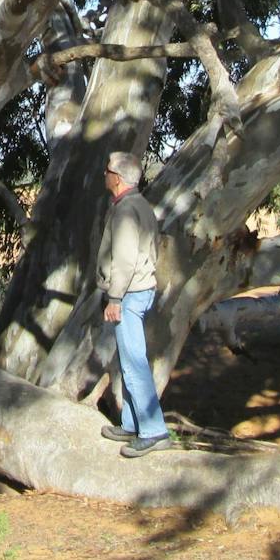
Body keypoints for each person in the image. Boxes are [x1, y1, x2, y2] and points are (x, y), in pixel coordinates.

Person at [97, 150, 173, 457]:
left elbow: (125, 261)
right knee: (127, 360)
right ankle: (131, 423)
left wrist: (114, 297)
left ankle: (154, 431)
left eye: (107, 170)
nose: (104, 174)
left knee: (134, 361)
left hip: (128, 294)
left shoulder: (127, 210)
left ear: (116, 177)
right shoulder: (139, 205)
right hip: (138, 291)